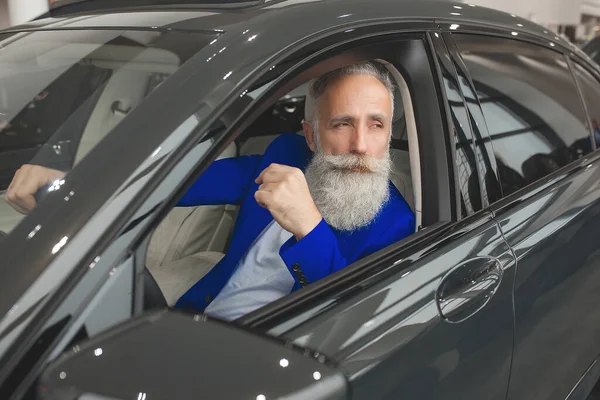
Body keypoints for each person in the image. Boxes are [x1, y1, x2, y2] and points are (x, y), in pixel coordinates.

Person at [5, 60, 415, 321]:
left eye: (376, 124)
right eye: (342, 123)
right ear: (310, 135)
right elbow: (174, 184)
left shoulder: (396, 224)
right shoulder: (285, 155)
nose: (361, 145)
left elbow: (349, 318)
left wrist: (310, 228)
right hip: (200, 316)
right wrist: (70, 185)